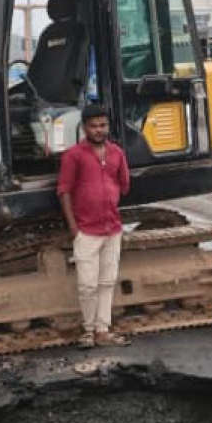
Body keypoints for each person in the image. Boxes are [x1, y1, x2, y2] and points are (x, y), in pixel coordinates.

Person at [57, 103, 132, 348]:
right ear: (85, 128)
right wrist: (74, 229)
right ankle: (88, 330)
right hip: (86, 230)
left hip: (112, 228)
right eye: (94, 126)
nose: (99, 130)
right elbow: (64, 191)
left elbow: (124, 185)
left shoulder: (117, 153)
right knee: (87, 285)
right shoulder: (73, 156)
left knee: (107, 282)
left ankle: (103, 329)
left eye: (103, 125)